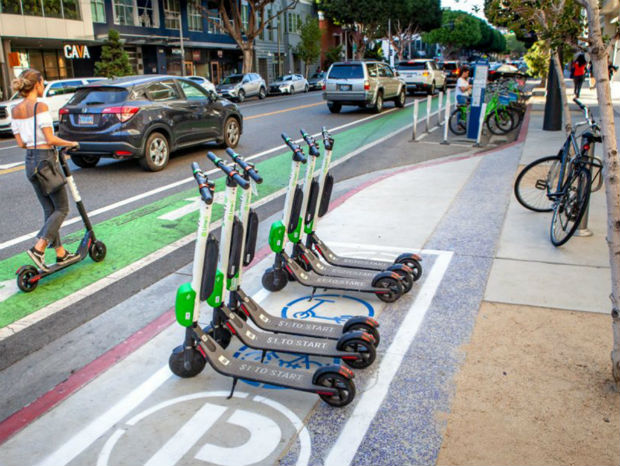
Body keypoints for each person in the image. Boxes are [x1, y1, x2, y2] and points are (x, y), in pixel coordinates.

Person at [10, 69, 80, 271]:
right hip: (45, 161)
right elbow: (50, 139)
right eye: (42, 82)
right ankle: (39, 248)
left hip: (30, 161)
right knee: (62, 208)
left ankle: (60, 253)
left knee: (50, 210)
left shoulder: (15, 109)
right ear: (38, 84)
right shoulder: (40, 106)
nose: (43, 85)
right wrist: (71, 142)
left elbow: (21, 143)